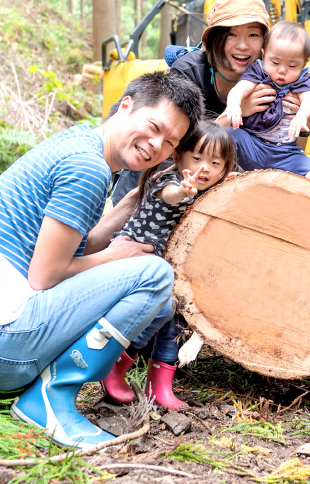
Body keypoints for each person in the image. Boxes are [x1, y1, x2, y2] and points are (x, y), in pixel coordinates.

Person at [0, 71, 204, 450]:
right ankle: (50, 398)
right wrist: (116, 255)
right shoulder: (87, 169)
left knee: (143, 274)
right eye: (153, 127)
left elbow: (75, 250)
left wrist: (129, 205)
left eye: (170, 142)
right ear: (126, 105)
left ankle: (44, 390)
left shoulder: (80, 147)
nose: (156, 145)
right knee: (156, 276)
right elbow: (46, 274)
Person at [110, 0, 307, 204]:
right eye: (231, 35)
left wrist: (305, 122)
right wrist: (237, 111)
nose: (242, 46)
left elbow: (288, 150)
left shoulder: (274, 78)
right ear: (213, 38)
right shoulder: (188, 72)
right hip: (161, 169)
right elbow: (172, 143)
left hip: (217, 179)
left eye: (252, 35)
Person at [101, 121, 236, 410]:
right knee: (161, 309)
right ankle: (116, 364)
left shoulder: (207, 191)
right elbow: (171, 194)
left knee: (177, 316)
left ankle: (160, 382)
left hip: (169, 265)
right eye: (197, 158)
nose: (205, 168)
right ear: (178, 157)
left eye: (215, 163)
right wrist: (183, 190)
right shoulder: (168, 179)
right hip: (140, 255)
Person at [219, 21, 310, 196]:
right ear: (263, 55)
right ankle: (221, 176)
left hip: (286, 152)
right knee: (229, 134)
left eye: (292, 66)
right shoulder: (258, 71)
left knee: (308, 168)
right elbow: (239, 89)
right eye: (275, 62)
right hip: (253, 144)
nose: (282, 71)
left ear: (304, 63)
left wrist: (302, 115)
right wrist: (234, 105)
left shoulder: (303, 79)